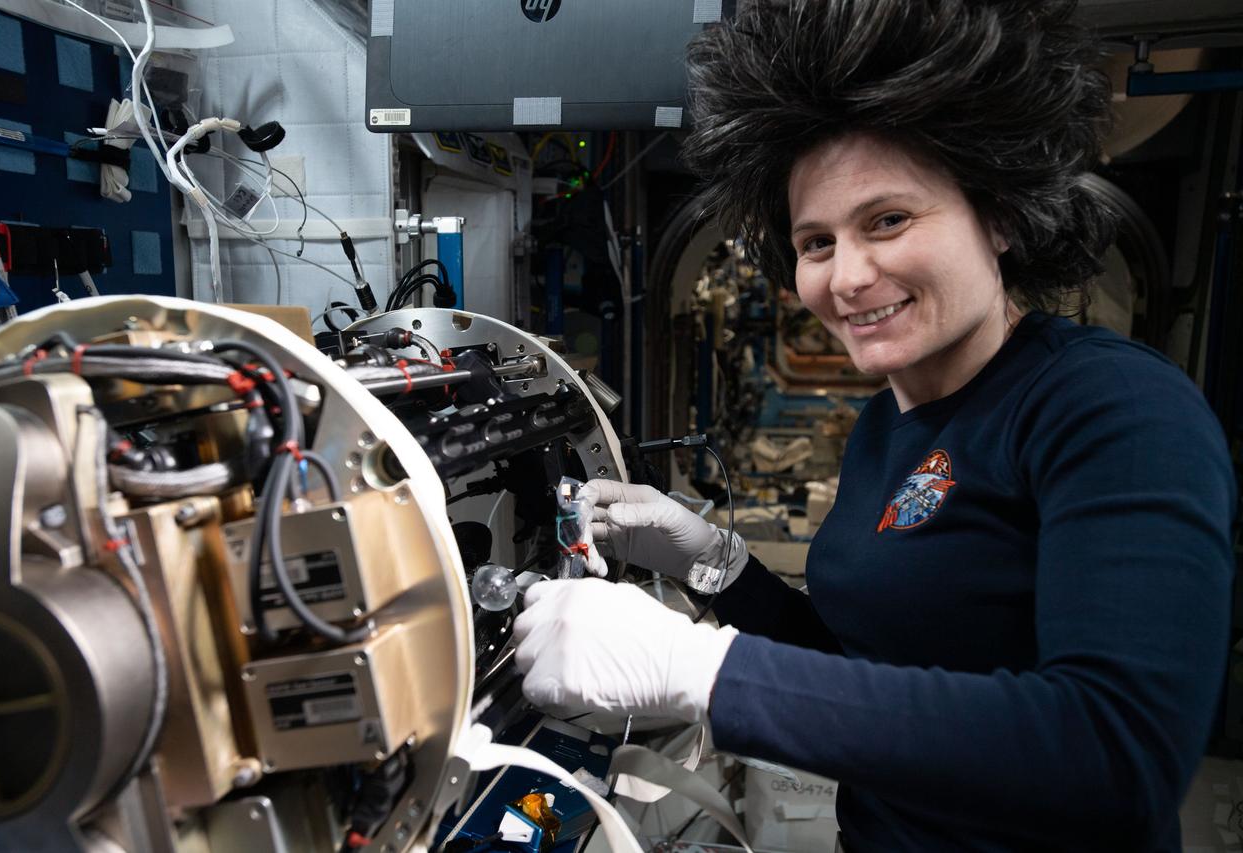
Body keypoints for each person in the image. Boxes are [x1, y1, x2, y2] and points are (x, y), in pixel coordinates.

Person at [512, 1, 1237, 849]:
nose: (848, 275)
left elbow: (1118, 752)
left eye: (888, 220)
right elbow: (877, 667)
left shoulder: (1112, 410)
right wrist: (716, 565)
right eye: (815, 242)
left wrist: (703, 672)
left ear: (998, 213)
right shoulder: (887, 425)